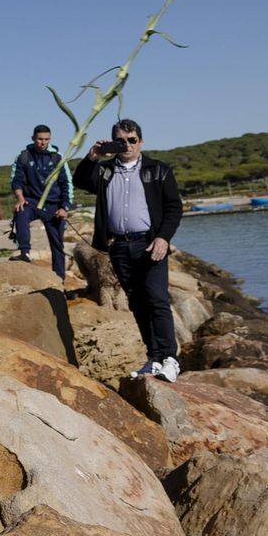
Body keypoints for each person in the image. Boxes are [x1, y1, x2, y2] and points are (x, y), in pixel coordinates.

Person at [74, 120, 184, 382]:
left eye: (132, 140)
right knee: (137, 303)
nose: (127, 145)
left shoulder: (158, 170)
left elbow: (173, 207)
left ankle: (170, 359)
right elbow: (80, 180)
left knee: (157, 299)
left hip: (149, 244)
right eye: (120, 141)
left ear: (141, 142)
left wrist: (163, 238)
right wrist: (92, 157)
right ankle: (154, 358)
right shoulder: (105, 171)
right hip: (119, 246)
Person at [10, 124, 72, 278]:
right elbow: (16, 180)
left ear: (50, 139)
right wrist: (20, 197)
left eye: (46, 139)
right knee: (21, 212)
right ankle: (24, 252)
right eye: (39, 139)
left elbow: (66, 183)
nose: (43, 142)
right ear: (33, 138)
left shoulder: (58, 157)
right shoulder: (24, 156)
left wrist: (65, 207)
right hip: (32, 202)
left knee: (57, 244)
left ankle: (59, 279)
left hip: (53, 206)